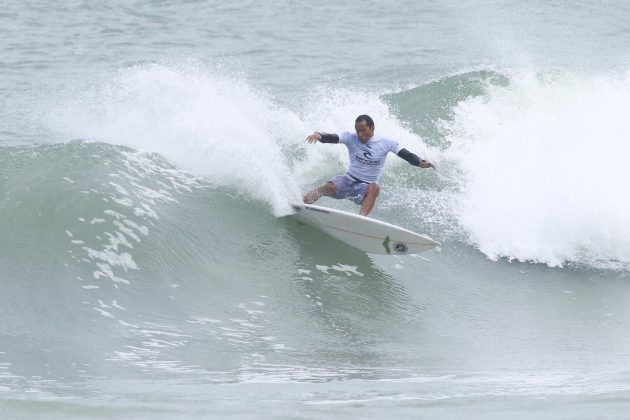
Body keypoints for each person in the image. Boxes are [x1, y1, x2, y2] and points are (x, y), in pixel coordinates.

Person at [304, 114, 435, 216]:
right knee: (329, 187)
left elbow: (406, 154)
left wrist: (419, 162)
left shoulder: (386, 142)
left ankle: (361, 220)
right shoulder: (351, 137)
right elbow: (332, 137)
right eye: (357, 131)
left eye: (363, 130)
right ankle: (303, 203)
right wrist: (319, 135)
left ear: (372, 128)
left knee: (375, 187)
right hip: (348, 179)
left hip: (365, 188)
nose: (359, 134)